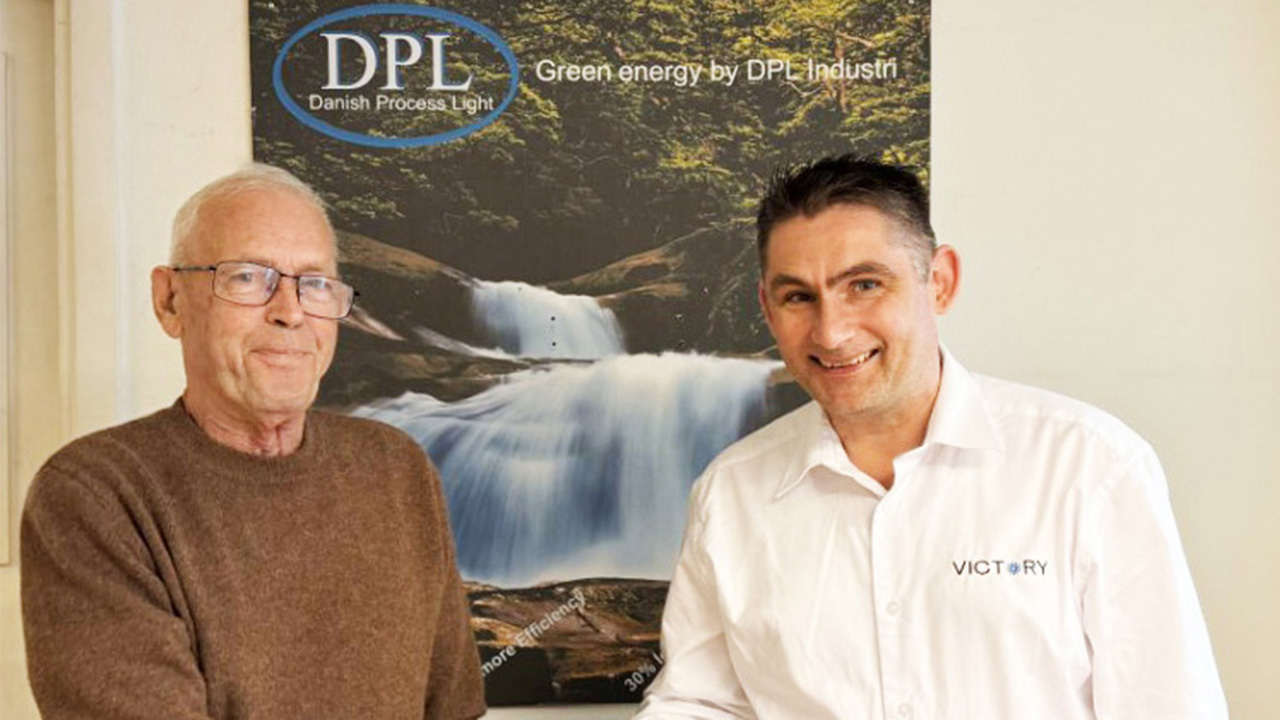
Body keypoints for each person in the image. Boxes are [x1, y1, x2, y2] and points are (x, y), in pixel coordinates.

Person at [635, 156, 1228, 719]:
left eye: (864, 285)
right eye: (799, 297)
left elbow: (1168, 704)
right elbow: (700, 704)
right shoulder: (730, 493)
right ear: (768, 308)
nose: (832, 332)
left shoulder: (1089, 466)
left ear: (939, 282)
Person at [21, 164, 486, 719]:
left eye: (315, 284)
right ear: (170, 300)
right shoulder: (96, 496)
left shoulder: (396, 469)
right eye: (247, 277)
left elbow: (454, 712)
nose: (290, 312)